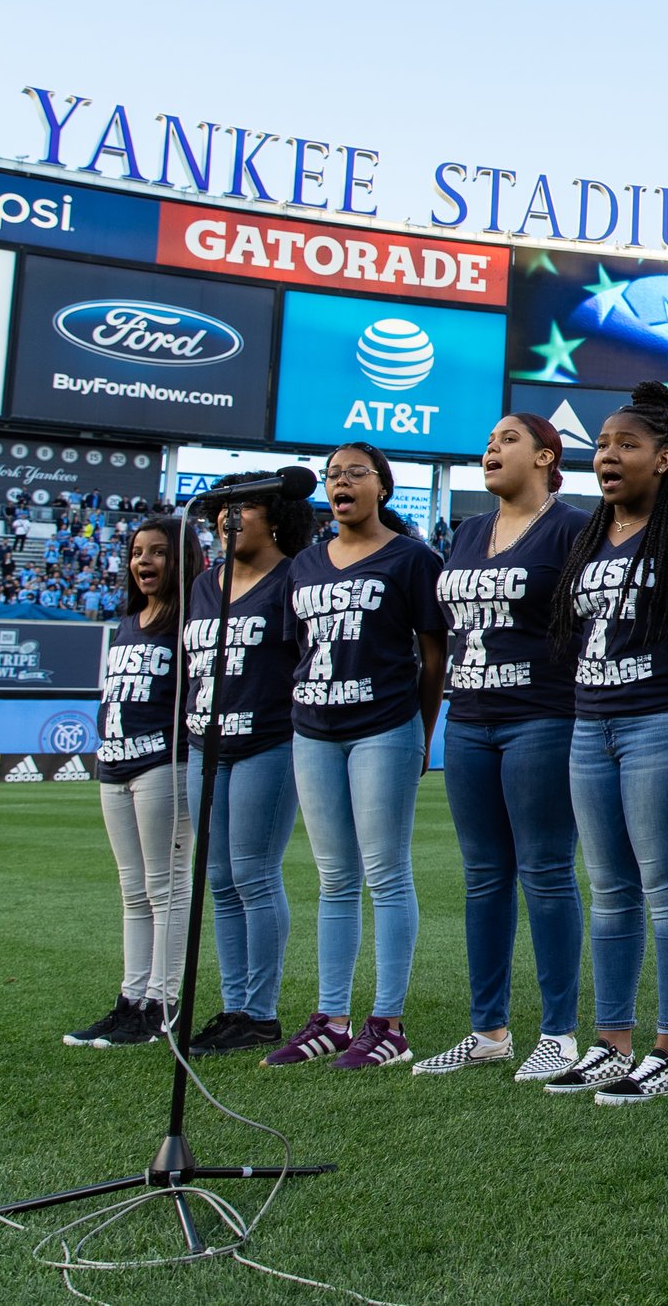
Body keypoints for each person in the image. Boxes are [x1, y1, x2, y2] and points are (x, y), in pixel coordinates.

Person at [546, 382, 668, 1104]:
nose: (609, 456)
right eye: (601, 445)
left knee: (667, 883)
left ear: (664, 459)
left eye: (627, 445)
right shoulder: (587, 533)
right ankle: (611, 1042)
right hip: (590, 721)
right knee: (611, 890)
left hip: (666, 720)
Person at [416, 414, 591, 1081]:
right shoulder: (465, 532)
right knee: (483, 877)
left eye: (507, 439)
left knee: (546, 872)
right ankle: (487, 1030)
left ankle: (558, 1033)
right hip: (470, 719)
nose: (490, 448)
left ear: (546, 456)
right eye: (487, 440)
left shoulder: (573, 528)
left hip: (543, 716)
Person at [264, 445, 449, 1072]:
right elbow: (298, 651)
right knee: (334, 878)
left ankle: (388, 1023)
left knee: (387, 873)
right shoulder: (306, 564)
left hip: (384, 728)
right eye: (332, 476)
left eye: (354, 474)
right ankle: (331, 1018)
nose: (341, 483)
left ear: (384, 488)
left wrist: (421, 732)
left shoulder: (413, 559)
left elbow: (433, 656)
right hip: (313, 730)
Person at [182, 481, 314, 1057]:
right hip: (203, 746)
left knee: (255, 875)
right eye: (222, 511)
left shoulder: (294, 579)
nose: (228, 520)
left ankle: (259, 1013)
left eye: (246, 508)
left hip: (268, 742)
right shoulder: (202, 584)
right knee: (219, 880)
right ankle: (233, 1007)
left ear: (277, 518)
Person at [67, 513, 204, 1050]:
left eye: (157, 552)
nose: (143, 561)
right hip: (114, 766)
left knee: (166, 888)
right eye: (137, 552)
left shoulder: (190, 623)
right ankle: (132, 1002)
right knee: (133, 890)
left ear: (181, 559)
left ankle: (162, 1007)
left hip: (162, 765)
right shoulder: (128, 620)